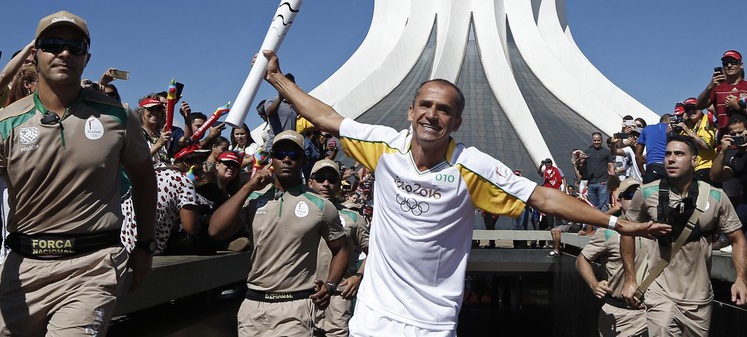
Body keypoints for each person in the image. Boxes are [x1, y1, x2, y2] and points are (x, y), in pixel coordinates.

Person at [257, 49, 670, 336]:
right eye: (425, 105)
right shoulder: (383, 146)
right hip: (374, 316)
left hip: (431, 321)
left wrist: (617, 223)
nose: (431, 115)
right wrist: (275, 77)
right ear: (411, 111)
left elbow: (541, 198)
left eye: (443, 110)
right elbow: (327, 118)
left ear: (456, 122)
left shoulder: (470, 166)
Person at [0, 10, 157, 336]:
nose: (64, 52)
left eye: (76, 46)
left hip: (91, 266)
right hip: (22, 268)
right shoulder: (3, 123)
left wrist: (144, 246)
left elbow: (143, 178)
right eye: (53, 44)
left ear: (86, 58)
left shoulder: (119, 117)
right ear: (35, 55)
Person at [209, 130, 350, 337]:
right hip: (254, 305)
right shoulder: (254, 199)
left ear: (303, 161)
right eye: (280, 153)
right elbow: (216, 230)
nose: (286, 159)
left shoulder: (321, 206)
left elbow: (342, 248)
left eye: (293, 155)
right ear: (271, 158)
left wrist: (330, 285)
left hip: (295, 307)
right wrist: (248, 186)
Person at [621, 137, 747, 336]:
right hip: (660, 294)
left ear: (694, 161)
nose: (671, 159)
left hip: (698, 299)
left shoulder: (715, 197)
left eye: (679, 154)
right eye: (667, 154)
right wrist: (630, 279)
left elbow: (737, 239)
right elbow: (626, 231)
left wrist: (741, 279)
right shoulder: (647, 193)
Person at [575, 178, 649, 337]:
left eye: (639, 194)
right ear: (619, 201)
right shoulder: (607, 232)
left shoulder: (655, 229)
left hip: (652, 313)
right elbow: (582, 259)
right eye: (630, 195)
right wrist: (594, 284)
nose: (635, 198)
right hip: (619, 315)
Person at [309, 158, 370, 337]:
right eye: (320, 178)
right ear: (310, 182)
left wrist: (358, 277)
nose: (326, 184)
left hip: (337, 296)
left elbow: (375, 253)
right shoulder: (295, 213)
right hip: (302, 294)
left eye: (332, 179)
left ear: (338, 183)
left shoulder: (352, 217)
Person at [710, 114, 747, 256]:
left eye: (740, 132)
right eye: (734, 134)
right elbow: (716, 176)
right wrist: (722, 152)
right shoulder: (734, 156)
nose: (738, 136)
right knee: (725, 229)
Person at [696, 49, 747, 138]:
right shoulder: (716, 88)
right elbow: (699, 106)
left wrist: (737, 107)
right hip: (725, 140)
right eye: (726, 63)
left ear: (741, 65)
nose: (729, 65)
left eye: (733, 62)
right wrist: (710, 86)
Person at [671, 98, 715, 183]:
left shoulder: (706, 120)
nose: (691, 111)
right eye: (687, 110)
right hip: (693, 170)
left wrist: (687, 131)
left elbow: (706, 146)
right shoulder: (688, 125)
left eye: (694, 108)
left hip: (706, 168)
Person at [579, 132, 615, 211]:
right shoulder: (587, 151)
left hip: (603, 182)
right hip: (591, 183)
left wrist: (613, 181)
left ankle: (603, 222)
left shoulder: (606, 152)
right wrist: (578, 158)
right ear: (592, 140)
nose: (596, 142)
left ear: (601, 140)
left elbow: (611, 166)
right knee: (593, 207)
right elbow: (580, 164)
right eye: (594, 140)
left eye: (598, 140)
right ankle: (596, 222)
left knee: (604, 206)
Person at [636, 115, 672, 184]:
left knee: (650, 194)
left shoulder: (646, 129)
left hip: (652, 167)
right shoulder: (672, 130)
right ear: (669, 120)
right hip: (668, 167)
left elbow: (637, 155)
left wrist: (643, 173)